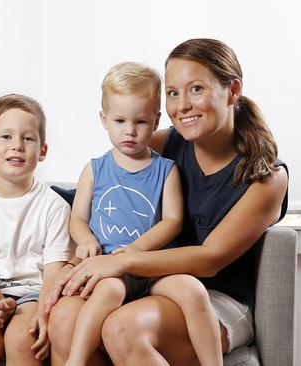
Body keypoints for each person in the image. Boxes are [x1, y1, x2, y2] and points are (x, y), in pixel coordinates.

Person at [46, 38, 289, 365]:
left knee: (122, 328)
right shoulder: (163, 144)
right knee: (65, 320)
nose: (183, 105)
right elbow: (106, 194)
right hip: (152, 282)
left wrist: (124, 261)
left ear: (232, 91)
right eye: (173, 92)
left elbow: (210, 259)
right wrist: (77, 259)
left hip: (216, 298)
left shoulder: (265, 177)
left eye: (196, 89)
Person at [57, 62, 222, 366]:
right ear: (104, 120)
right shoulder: (94, 170)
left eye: (141, 122)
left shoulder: (165, 170)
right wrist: (85, 240)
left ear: (156, 120)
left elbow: (173, 222)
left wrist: (136, 250)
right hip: (110, 268)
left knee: (194, 290)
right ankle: (75, 361)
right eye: (120, 120)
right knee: (106, 291)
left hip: (153, 267)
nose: (130, 131)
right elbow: (77, 217)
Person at [0, 94, 73, 365]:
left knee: (22, 337)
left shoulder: (54, 206)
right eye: (6, 137)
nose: (17, 146)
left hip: (34, 294)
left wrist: (43, 311)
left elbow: (54, 271)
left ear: (42, 151)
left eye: (28, 138)